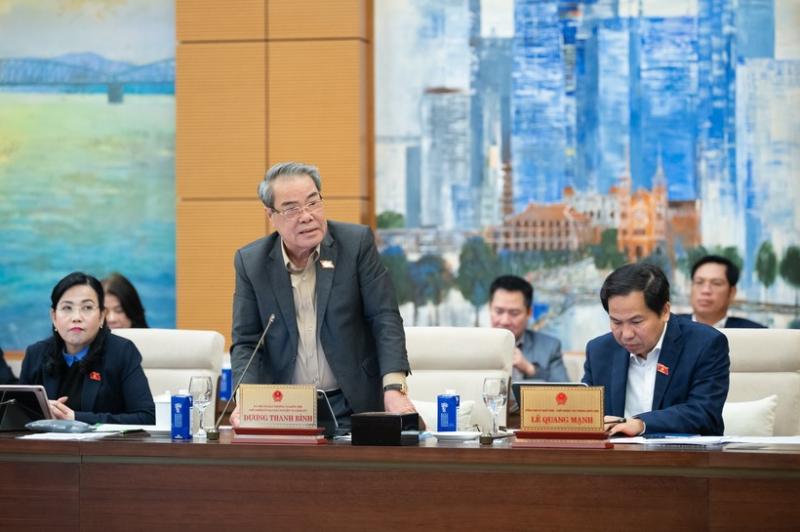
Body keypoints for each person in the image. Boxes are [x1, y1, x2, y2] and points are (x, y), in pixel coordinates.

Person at [230, 162, 414, 428]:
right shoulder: (251, 263)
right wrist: (245, 400)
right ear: (271, 215)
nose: (307, 216)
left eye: (313, 203)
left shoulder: (356, 244)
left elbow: (384, 318)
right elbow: (247, 342)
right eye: (292, 209)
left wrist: (394, 388)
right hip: (286, 409)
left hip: (354, 402)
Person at [582, 263, 730, 436]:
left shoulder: (705, 344)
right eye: (616, 322)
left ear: (664, 311)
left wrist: (641, 424)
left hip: (683, 452)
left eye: (636, 322)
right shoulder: (599, 350)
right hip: (616, 451)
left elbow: (704, 413)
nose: (626, 334)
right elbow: (587, 412)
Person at [19, 272, 155, 424]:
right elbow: (15, 415)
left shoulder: (121, 352)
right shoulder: (35, 354)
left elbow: (146, 417)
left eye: (87, 307)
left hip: (104, 440)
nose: (76, 317)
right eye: (67, 308)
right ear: (54, 317)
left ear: (102, 316)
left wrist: (76, 419)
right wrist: (38, 412)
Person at [489, 275, 568, 383]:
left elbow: (566, 390)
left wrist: (529, 369)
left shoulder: (550, 347)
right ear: (490, 308)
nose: (505, 321)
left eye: (514, 313)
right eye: (499, 311)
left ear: (528, 313)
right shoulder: (473, 344)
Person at [680, 255, 766, 328]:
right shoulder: (672, 326)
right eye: (699, 282)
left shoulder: (756, 332)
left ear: (732, 293)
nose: (705, 290)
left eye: (716, 283)